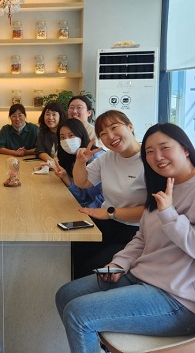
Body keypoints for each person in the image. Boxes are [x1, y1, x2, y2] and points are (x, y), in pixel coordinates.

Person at [55, 123, 195, 352]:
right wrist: (119, 263)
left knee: (78, 313)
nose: (157, 157)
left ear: (185, 149)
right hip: (143, 277)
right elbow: (142, 237)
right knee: (65, 294)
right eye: (149, 151)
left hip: (179, 300)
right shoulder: (163, 184)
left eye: (164, 148)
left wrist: (170, 216)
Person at [70, 110, 146, 278]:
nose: (110, 136)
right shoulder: (107, 158)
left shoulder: (149, 160)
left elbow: (152, 210)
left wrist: (110, 213)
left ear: (130, 126)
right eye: (103, 134)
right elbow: (82, 182)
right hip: (108, 223)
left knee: (93, 267)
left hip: (136, 232)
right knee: (72, 248)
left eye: (114, 127)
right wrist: (80, 162)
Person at [51, 118, 104, 209]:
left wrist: (86, 210)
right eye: (62, 137)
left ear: (81, 135)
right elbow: (82, 198)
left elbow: (106, 199)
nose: (67, 141)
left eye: (71, 135)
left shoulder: (97, 158)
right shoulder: (70, 158)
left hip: (103, 212)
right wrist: (65, 177)